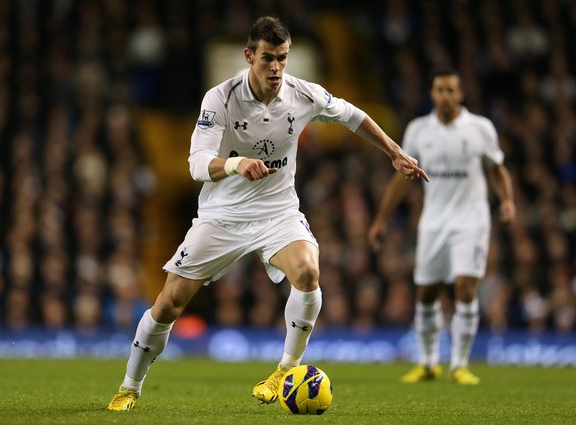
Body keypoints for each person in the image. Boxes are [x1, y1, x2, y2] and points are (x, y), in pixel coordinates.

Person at [106, 16, 428, 411]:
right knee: (169, 303)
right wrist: (234, 164)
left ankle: (284, 371)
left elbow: (352, 115)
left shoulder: (303, 94)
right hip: (222, 214)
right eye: (267, 59)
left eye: (282, 58)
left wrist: (395, 152)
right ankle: (130, 386)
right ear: (249, 56)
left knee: (308, 272)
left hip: (277, 212)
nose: (275, 68)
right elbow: (196, 163)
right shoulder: (220, 99)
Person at [368, 69, 515, 385]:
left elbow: (497, 169)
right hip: (434, 222)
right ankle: (428, 362)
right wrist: (381, 219)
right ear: (432, 94)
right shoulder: (419, 130)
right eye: (439, 90)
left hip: (471, 221)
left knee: (465, 288)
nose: (445, 96)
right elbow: (400, 178)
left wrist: (506, 200)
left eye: (451, 90)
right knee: (426, 294)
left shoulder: (480, 128)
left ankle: (460, 364)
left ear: (460, 94)